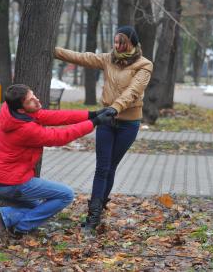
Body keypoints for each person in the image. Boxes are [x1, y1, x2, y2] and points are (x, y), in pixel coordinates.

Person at [0, 84, 115, 244]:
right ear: (21, 109)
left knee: (40, 208)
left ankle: (5, 216)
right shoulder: (25, 129)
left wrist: (92, 114)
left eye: (34, 95)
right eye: (31, 100)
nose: (37, 100)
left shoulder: (10, 110)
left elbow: (52, 116)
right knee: (66, 195)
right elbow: (59, 136)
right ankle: (18, 227)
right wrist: (94, 123)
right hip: (11, 183)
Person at [54, 26, 153, 229]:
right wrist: (54, 51)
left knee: (111, 167)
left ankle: (100, 204)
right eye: (115, 42)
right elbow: (83, 57)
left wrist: (115, 108)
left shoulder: (144, 65)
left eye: (121, 42)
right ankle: (94, 216)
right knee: (102, 168)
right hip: (107, 121)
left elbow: (134, 91)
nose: (117, 46)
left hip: (128, 123)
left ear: (132, 43)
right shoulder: (109, 59)